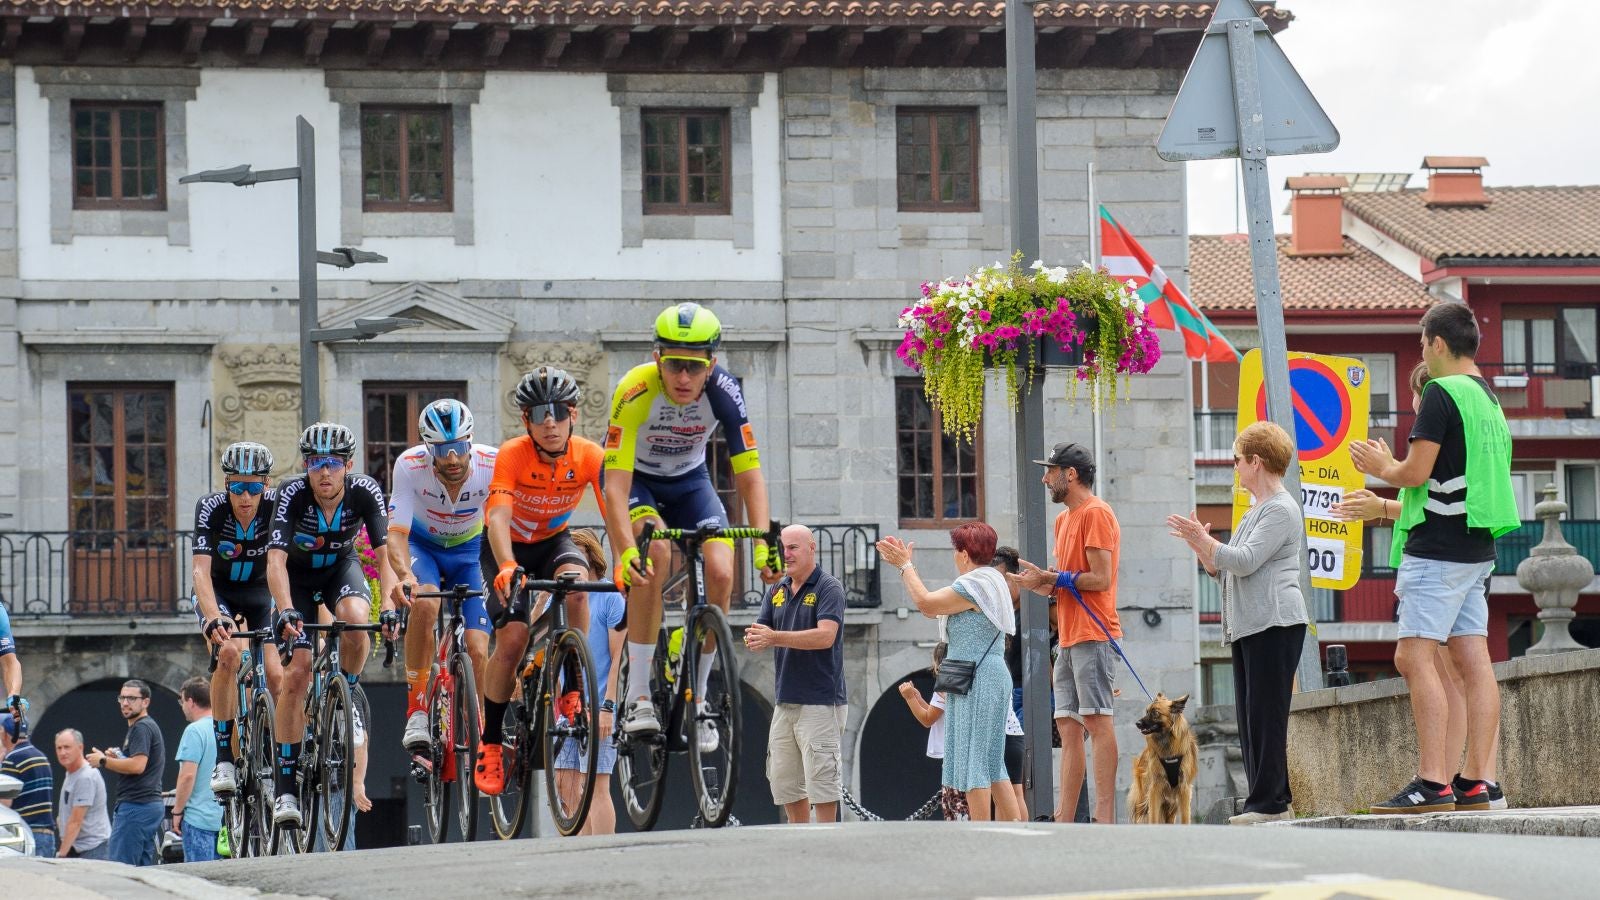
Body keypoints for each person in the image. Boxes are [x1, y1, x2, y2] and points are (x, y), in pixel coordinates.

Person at [1349, 302, 1519, 814]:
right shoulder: (1487, 397)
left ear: (1437, 344)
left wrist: (1383, 464)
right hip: (1476, 544)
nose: (1422, 351)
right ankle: (1474, 781)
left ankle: (1432, 781)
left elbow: (1416, 473)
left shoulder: (1441, 393)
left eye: (1423, 343)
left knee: (1412, 656)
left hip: (1438, 546)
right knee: (1474, 661)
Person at [605, 303, 782, 742]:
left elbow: (749, 474)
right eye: (674, 365)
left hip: (690, 483)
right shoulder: (634, 389)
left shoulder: (724, 391)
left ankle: (699, 696)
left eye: (694, 367)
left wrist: (763, 540)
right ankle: (640, 694)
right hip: (638, 484)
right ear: (656, 359)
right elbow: (613, 487)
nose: (683, 378)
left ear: (711, 366)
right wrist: (626, 550)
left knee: (722, 569)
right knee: (655, 554)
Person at [1334, 361, 1485, 789]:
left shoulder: (1436, 425)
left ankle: (1436, 778)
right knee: (1452, 672)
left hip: (1436, 559)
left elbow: (1430, 498)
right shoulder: (1447, 430)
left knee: (1432, 666)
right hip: (1447, 556)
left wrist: (1380, 495)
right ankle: (1463, 778)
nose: (1414, 404)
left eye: (1415, 395)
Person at [476, 367, 621, 797]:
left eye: (559, 412)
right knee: (514, 638)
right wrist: (505, 564)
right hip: (507, 547)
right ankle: (491, 742)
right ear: (527, 421)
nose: (550, 422)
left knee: (577, 586)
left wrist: (623, 561)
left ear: (573, 413)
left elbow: (613, 512)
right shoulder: (514, 454)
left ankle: (572, 688)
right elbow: (498, 516)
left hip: (553, 540)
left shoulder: (590, 455)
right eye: (539, 414)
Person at [1168, 421, 1310, 825]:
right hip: (1251, 623)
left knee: (1266, 714)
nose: (1234, 467)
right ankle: (1267, 799)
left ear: (1256, 462)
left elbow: (1244, 559)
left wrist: (1209, 542)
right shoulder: (1256, 510)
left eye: (1237, 459)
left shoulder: (1281, 508)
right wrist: (1201, 545)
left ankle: (1270, 803)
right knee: (1250, 715)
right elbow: (1224, 566)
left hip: (1275, 621)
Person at [266, 422, 398, 828]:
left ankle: (348, 695)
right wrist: (286, 609)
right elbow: (275, 562)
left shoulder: (365, 490)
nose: (324, 471)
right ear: (306, 465)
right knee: (298, 674)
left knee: (358, 620)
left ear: (348, 464)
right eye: (315, 463)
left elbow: (385, 551)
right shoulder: (292, 493)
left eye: (333, 463)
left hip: (340, 568)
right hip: (298, 582)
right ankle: (286, 787)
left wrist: (390, 604)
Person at [877, 522, 1021, 822]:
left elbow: (926, 604)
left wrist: (905, 565)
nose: (955, 556)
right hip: (987, 674)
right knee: (993, 761)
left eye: (956, 550)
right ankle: (1013, 829)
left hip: (976, 678)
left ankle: (982, 833)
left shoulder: (975, 584)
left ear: (965, 554)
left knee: (974, 763)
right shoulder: (993, 580)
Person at [1010, 442, 1121, 824]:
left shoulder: (1097, 513)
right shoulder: (1063, 521)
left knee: (1097, 720)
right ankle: (1065, 819)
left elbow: (1101, 578)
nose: (1045, 478)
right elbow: (1068, 584)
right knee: (1067, 726)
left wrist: (1053, 578)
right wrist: (1035, 584)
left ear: (1070, 474)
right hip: (1070, 638)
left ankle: (1105, 819)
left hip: (1094, 633)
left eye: (1050, 470)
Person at [386, 399, 498, 755]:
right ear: (427, 448)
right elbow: (397, 534)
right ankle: (417, 707)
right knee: (427, 600)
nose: (452, 458)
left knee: (479, 650)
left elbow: (505, 524)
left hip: (469, 553)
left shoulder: (492, 463)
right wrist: (404, 575)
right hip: (425, 548)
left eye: (459, 448)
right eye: (443, 450)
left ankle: (484, 734)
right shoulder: (408, 465)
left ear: (470, 442)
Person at [190, 440, 279, 795]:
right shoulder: (210, 508)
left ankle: (274, 752)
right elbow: (200, 572)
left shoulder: (277, 507)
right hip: (220, 591)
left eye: (254, 487)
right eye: (237, 487)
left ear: (265, 486)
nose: (245, 496)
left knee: (276, 673)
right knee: (229, 654)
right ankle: (224, 758)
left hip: (261, 592)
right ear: (226, 485)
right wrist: (214, 619)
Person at [744, 524, 848, 824]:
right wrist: (755, 638)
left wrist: (774, 637)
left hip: (821, 701)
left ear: (811, 548)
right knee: (785, 783)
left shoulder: (829, 587)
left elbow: (825, 636)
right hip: (785, 702)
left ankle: (826, 848)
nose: (786, 554)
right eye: (783, 548)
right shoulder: (776, 591)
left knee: (823, 786)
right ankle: (800, 848)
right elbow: (761, 631)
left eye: (793, 547)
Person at [552, 529, 626, 835]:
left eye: (575, 553)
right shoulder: (560, 598)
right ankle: (578, 853)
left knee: (597, 785)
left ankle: (601, 854)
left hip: (599, 706)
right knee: (564, 783)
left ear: (591, 556)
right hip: (565, 709)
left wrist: (608, 706)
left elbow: (618, 657)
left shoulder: (609, 596)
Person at [88, 679, 165, 865]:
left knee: (121, 869)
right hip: (148, 806)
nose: (125, 703)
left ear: (145, 702)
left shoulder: (142, 727)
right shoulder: (143, 726)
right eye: (122, 697)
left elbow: (138, 766)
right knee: (142, 870)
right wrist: (119, 758)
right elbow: (139, 764)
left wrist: (104, 761)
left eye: (131, 698)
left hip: (136, 806)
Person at [172, 677, 223, 861]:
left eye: (182, 701)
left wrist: (177, 811)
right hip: (226, 820)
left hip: (199, 820)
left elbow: (187, 776)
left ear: (191, 701)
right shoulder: (225, 728)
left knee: (201, 876)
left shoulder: (194, 731)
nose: (182, 706)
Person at [1, 711, 54, 856]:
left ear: (6, 734)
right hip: (48, 836)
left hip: (28, 836)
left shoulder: (12, 759)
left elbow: (5, 803)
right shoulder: (41, 756)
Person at [53, 728, 110, 859]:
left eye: (67, 747)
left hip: (92, 850)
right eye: (59, 748)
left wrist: (61, 855)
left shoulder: (85, 776)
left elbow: (75, 822)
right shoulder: (71, 772)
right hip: (79, 848)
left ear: (80, 747)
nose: (63, 752)